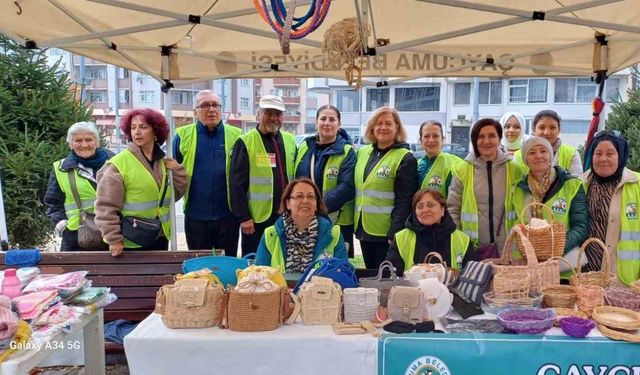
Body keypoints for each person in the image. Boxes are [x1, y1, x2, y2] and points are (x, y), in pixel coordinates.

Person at [95, 109, 188, 256]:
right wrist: (113, 239)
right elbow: (105, 207)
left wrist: (178, 171)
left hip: (159, 235)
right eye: (133, 127)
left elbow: (172, 196)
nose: (137, 132)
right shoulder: (119, 164)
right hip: (130, 239)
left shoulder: (163, 163)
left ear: (155, 131)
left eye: (143, 127)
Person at [173, 90, 242, 254]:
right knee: (199, 267)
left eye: (215, 105)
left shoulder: (236, 135)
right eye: (204, 105)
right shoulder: (182, 135)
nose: (211, 110)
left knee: (227, 265)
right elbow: (173, 171)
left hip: (228, 215)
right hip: (196, 215)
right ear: (195, 111)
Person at [230, 95, 297, 256]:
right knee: (257, 263)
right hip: (257, 219)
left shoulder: (290, 140)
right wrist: (244, 217)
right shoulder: (245, 142)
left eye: (278, 114)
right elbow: (236, 184)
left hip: (286, 217)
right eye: (268, 113)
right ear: (259, 114)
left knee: (283, 260)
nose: (273, 118)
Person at [447, 118, 526, 253]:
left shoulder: (516, 170)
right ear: (474, 141)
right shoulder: (462, 170)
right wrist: (461, 242)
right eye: (481, 137)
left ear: (500, 139)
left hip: (509, 249)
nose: (486, 141)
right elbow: (453, 208)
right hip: (472, 249)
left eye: (492, 136)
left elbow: (524, 208)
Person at [354, 106, 418, 269]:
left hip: (386, 234)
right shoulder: (363, 153)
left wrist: (394, 232)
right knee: (369, 275)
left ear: (397, 127)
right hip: (364, 230)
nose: (383, 127)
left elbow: (404, 201)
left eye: (388, 123)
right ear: (372, 128)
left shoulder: (405, 158)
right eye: (379, 123)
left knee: (385, 280)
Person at [512, 137, 588, 265]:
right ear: (526, 160)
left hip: (562, 265)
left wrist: (555, 249)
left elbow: (580, 226)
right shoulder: (518, 189)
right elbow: (518, 225)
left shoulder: (572, 185)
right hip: (528, 265)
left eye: (543, 151)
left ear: (550, 155)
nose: (538, 156)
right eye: (532, 152)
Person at [294, 105, 356, 257]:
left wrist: (317, 207)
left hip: (337, 222)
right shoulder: (304, 148)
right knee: (306, 264)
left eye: (332, 119)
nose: (327, 123)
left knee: (335, 269)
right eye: (323, 119)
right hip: (305, 220)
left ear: (338, 125)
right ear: (316, 123)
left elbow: (347, 187)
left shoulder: (347, 151)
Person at [45, 122, 114, 251]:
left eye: (89, 140)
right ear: (71, 144)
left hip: (113, 233)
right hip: (75, 236)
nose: (84, 144)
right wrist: (62, 225)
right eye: (78, 140)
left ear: (97, 142)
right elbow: (52, 202)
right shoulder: (61, 169)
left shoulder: (115, 163)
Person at [583, 131, 640, 285]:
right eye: (598, 153)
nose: (603, 159)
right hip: (585, 274)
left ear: (621, 156)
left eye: (610, 153)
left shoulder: (636, 184)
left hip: (623, 279)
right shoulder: (581, 184)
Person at [255, 178, 347, 273]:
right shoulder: (270, 234)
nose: (305, 200)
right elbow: (259, 275)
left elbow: (344, 273)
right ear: (288, 203)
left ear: (316, 204)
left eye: (311, 197)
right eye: (299, 196)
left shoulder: (334, 233)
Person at [386, 189, 475, 276]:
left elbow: (471, 277)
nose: (425, 210)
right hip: (411, 290)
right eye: (420, 207)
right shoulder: (400, 238)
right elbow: (390, 276)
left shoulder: (463, 240)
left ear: (443, 210)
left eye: (431, 205)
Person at [514, 110, 582, 175]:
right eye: (542, 128)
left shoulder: (571, 153)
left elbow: (577, 183)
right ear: (534, 130)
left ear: (558, 130)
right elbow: (516, 183)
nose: (547, 132)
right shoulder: (519, 155)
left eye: (552, 128)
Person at [417, 120, 463, 198]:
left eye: (435, 136)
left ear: (442, 140)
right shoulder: (416, 165)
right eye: (426, 136)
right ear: (421, 141)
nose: (431, 140)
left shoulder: (456, 164)